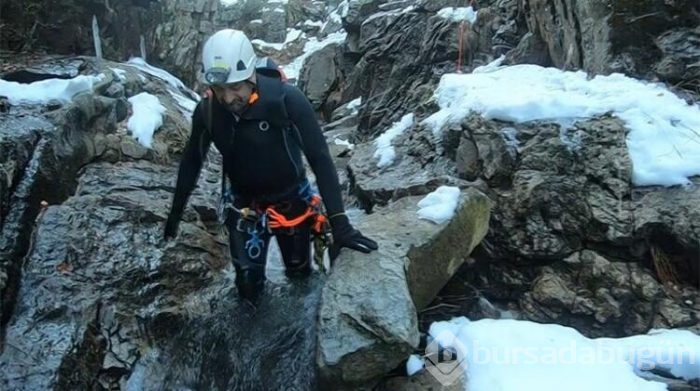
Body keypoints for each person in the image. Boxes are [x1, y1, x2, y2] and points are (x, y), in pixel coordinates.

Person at [163, 29, 378, 301]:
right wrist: (175, 213)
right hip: (244, 207)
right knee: (247, 289)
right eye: (219, 89)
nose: (228, 99)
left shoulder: (286, 99)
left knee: (299, 279)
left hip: (292, 202)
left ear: (251, 75)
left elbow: (320, 158)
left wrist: (340, 222)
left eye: (235, 88)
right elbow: (192, 161)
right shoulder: (207, 111)